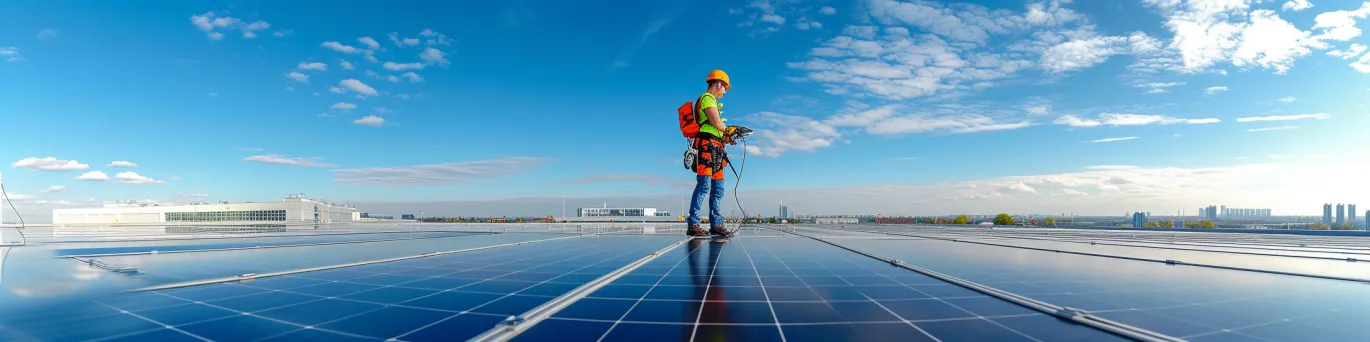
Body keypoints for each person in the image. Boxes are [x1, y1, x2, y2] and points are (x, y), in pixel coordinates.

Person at [686, 70, 740, 237]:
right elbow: (716, 122)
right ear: (718, 84)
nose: (725, 92)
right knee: (704, 186)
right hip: (706, 148)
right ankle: (693, 223)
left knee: (718, 190)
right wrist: (729, 130)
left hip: (717, 149)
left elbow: (719, 129)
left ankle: (716, 224)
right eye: (725, 88)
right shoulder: (707, 99)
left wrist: (729, 137)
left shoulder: (714, 101)